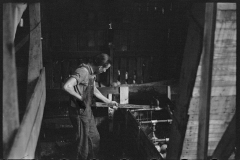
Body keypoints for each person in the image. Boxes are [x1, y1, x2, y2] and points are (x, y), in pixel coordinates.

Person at [63, 53, 118, 160]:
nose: (105, 71)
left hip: (86, 110)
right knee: (83, 143)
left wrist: (108, 102)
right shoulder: (83, 71)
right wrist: (81, 99)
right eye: (105, 69)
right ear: (100, 66)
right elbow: (67, 86)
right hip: (79, 111)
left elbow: (93, 89)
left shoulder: (91, 73)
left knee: (94, 138)